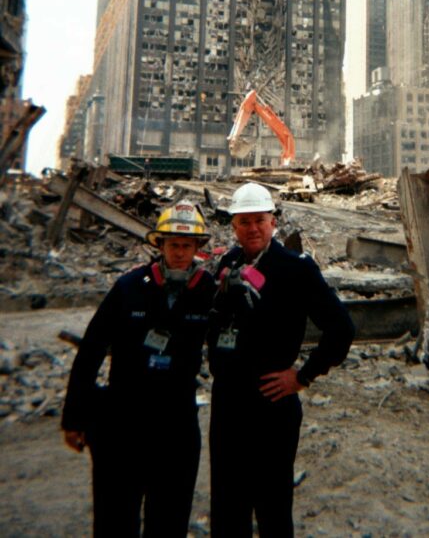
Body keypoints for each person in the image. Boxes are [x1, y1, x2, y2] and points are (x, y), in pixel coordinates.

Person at [208, 181, 355, 538]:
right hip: (228, 402)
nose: (253, 228)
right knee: (227, 505)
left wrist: (302, 377)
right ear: (234, 226)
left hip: (271, 403)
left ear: (274, 222)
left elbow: (341, 329)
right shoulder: (228, 264)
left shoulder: (296, 269)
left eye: (260, 220)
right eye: (244, 222)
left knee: (272, 504)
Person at [61, 199, 215, 538]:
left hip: (175, 427)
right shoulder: (129, 288)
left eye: (187, 246)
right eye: (173, 244)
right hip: (122, 423)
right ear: (159, 244)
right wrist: (74, 417)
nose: (179, 253)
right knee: (115, 520)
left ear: (198, 248)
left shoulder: (209, 293)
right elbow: (90, 352)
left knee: (169, 521)